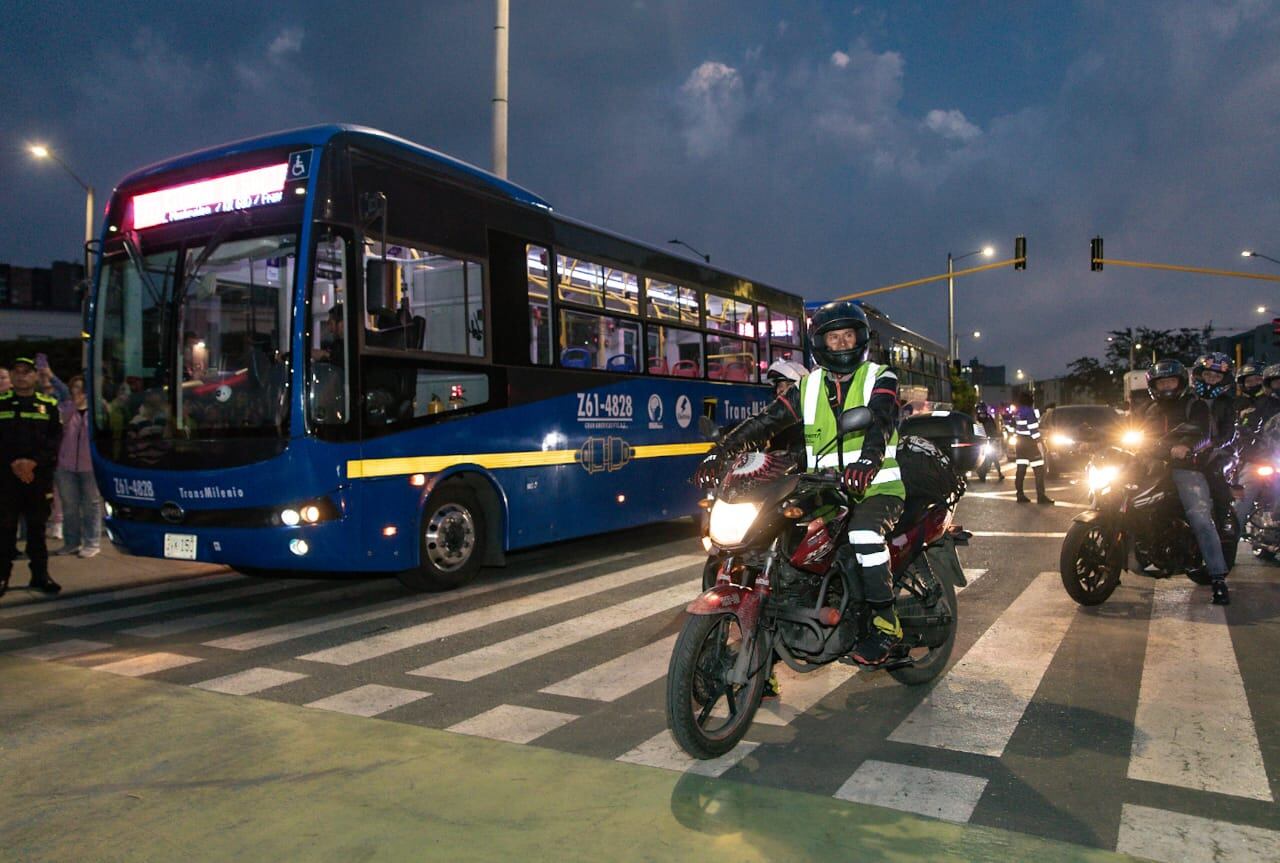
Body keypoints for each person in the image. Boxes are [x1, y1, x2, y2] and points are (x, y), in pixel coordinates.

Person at [695, 301, 906, 666]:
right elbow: (766, 421)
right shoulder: (807, 387)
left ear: (860, 340)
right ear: (820, 343)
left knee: (863, 536)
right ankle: (766, 661)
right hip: (823, 488)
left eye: (848, 336)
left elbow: (881, 419)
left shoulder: (879, 376)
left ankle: (885, 623)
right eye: (833, 337)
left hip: (875, 488)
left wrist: (869, 459)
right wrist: (721, 450)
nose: (841, 344)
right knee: (776, 548)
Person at [1139, 359, 1232, 605]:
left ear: (1181, 382)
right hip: (1150, 466)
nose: (1166, 386)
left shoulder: (1195, 406)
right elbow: (1129, 431)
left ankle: (1218, 578)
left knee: (1200, 516)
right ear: (1153, 385)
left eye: (1171, 381)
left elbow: (1205, 435)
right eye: (1161, 382)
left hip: (1185, 468)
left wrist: (1186, 448)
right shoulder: (1149, 409)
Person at [0, 357, 64, 598]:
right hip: (6, 478)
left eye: (26, 372)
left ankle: (40, 575)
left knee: (37, 529)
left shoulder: (47, 405)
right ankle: (2, 576)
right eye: (16, 372)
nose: (21, 376)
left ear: (36, 376)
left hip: (38, 478)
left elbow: (54, 441)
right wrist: (14, 463)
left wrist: (32, 462)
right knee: (4, 529)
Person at [1189, 353, 1238, 538]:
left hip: (1220, 452)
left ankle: (1223, 515)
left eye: (1217, 377)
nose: (1211, 379)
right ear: (1199, 375)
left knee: (1214, 475)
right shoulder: (1189, 399)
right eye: (1208, 375)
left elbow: (1229, 431)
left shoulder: (1227, 403)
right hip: (1190, 451)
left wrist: (1213, 445)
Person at [55, 376, 102, 559]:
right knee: (70, 505)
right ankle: (71, 542)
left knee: (91, 504)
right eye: (74, 387)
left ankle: (92, 542)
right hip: (66, 465)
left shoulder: (97, 411)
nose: (77, 392)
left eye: (81, 388)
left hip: (90, 465)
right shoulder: (67, 409)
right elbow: (62, 423)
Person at [1237, 362, 1280, 530]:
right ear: (1268, 385)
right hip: (1260, 459)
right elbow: (1248, 430)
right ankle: (1230, 539)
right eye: (1277, 382)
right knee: (1243, 499)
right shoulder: (1258, 406)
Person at [1013, 391, 1053, 504]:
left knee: (1021, 470)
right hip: (1029, 443)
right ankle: (1041, 496)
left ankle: (1019, 494)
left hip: (1019, 443)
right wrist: (1042, 443)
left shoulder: (1018, 412)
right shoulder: (1030, 412)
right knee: (1039, 469)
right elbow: (1033, 430)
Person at [974, 402, 1005, 482]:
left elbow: (994, 429)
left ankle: (999, 473)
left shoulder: (989, 418)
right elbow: (974, 431)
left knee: (994, 456)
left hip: (989, 440)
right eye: (980, 411)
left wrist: (995, 437)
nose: (982, 413)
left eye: (983, 411)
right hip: (980, 442)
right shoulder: (976, 420)